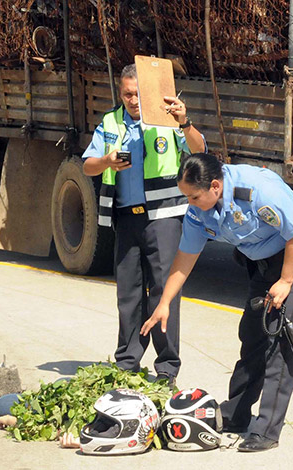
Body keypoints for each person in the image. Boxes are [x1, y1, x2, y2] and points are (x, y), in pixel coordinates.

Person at [140, 153, 293, 451]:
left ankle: (267, 429)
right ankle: (236, 412)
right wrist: (165, 301)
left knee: (280, 335)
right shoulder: (198, 211)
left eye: (193, 196)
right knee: (252, 333)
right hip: (266, 262)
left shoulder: (257, 189)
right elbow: (185, 257)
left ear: (215, 186)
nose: (189, 203)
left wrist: (285, 282)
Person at [82, 64, 206, 387]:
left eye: (137, 93)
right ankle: (127, 362)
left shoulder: (166, 119)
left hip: (163, 218)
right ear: (119, 92)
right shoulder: (110, 123)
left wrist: (184, 121)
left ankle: (166, 368)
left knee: (164, 293)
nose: (133, 100)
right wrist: (107, 161)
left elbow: (199, 150)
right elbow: (88, 166)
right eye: (127, 94)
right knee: (129, 293)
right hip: (126, 217)